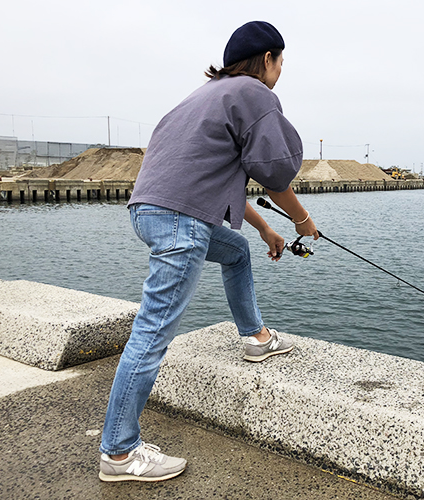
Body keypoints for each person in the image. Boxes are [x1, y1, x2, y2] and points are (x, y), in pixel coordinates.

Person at [98, 20, 318, 483]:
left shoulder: (204, 95)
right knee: (152, 331)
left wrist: (264, 230)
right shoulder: (255, 94)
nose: (281, 71)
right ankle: (119, 453)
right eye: (281, 61)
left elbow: (210, 182)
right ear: (267, 60)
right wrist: (301, 221)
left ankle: (255, 338)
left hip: (150, 212)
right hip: (180, 221)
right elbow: (275, 174)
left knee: (235, 251)